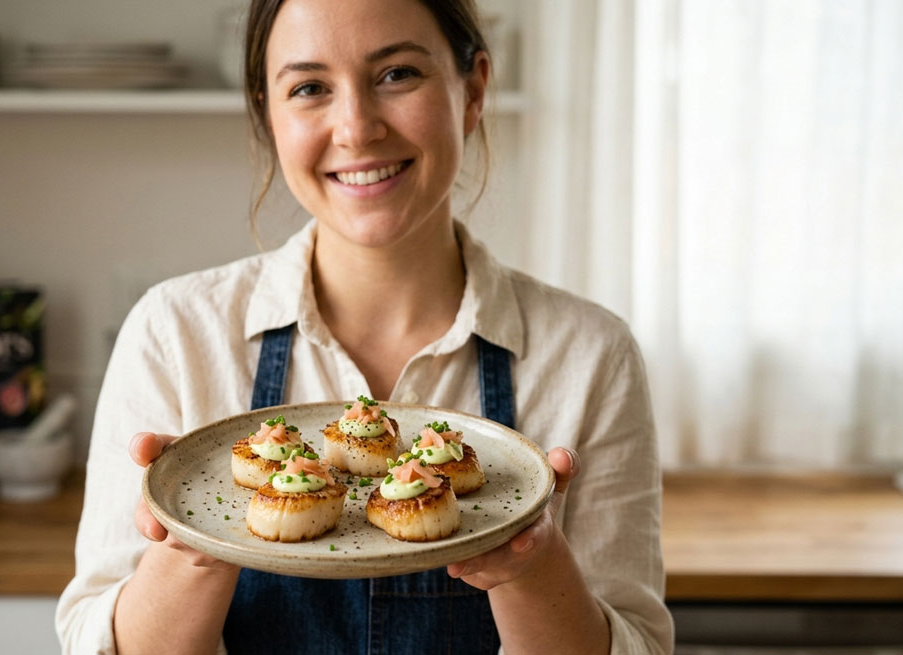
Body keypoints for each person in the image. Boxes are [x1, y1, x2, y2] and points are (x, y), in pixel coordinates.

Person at [56, 0, 673, 653]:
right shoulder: (175, 332)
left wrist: (533, 565)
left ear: (474, 89)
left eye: (397, 74)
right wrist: (198, 542)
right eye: (309, 88)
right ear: (269, 113)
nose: (355, 128)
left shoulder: (590, 355)